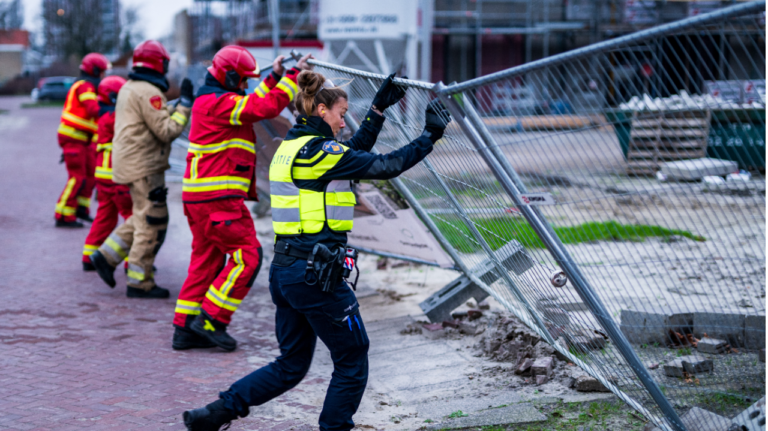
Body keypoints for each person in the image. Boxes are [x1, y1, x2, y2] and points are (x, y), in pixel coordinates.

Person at [182, 71, 452, 431]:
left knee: (290, 366)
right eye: (341, 113)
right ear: (321, 110)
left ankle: (215, 413)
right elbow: (387, 165)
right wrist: (430, 135)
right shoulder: (319, 153)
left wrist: (377, 110)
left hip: (287, 272)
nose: (343, 122)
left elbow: (350, 153)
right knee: (352, 356)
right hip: (315, 276)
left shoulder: (291, 148)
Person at [172, 46, 314, 352]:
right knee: (248, 256)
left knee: (206, 261)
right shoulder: (220, 102)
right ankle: (211, 320)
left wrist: (274, 76)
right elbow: (260, 108)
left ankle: (184, 328)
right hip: (218, 200)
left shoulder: (212, 100)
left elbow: (250, 103)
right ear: (230, 76)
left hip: (201, 199)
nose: (243, 85)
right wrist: (292, 78)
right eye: (241, 80)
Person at [89, 40, 193, 299]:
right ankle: (140, 282)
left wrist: (173, 106)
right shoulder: (150, 92)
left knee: (141, 214)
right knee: (152, 221)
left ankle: (105, 256)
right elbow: (167, 130)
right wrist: (185, 106)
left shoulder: (130, 87)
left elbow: (150, 118)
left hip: (131, 163)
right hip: (145, 165)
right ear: (159, 64)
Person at [81, 76, 133, 271]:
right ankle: (133, 262)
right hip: (118, 176)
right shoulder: (114, 117)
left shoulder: (103, 116)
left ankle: (89, 257)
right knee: (133, 218)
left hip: (103, 177)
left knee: (105, 217)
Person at [54, 53, 111, 228]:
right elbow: (93, 109)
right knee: (77, 177)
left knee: (89, 176)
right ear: (94, 71)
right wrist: (111, 107)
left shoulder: (89, 88)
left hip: (83, 140)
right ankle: (63, 214)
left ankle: (81, 209)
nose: (103, 76)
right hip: (73, 138)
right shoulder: (84, 87)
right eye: (101, 72)